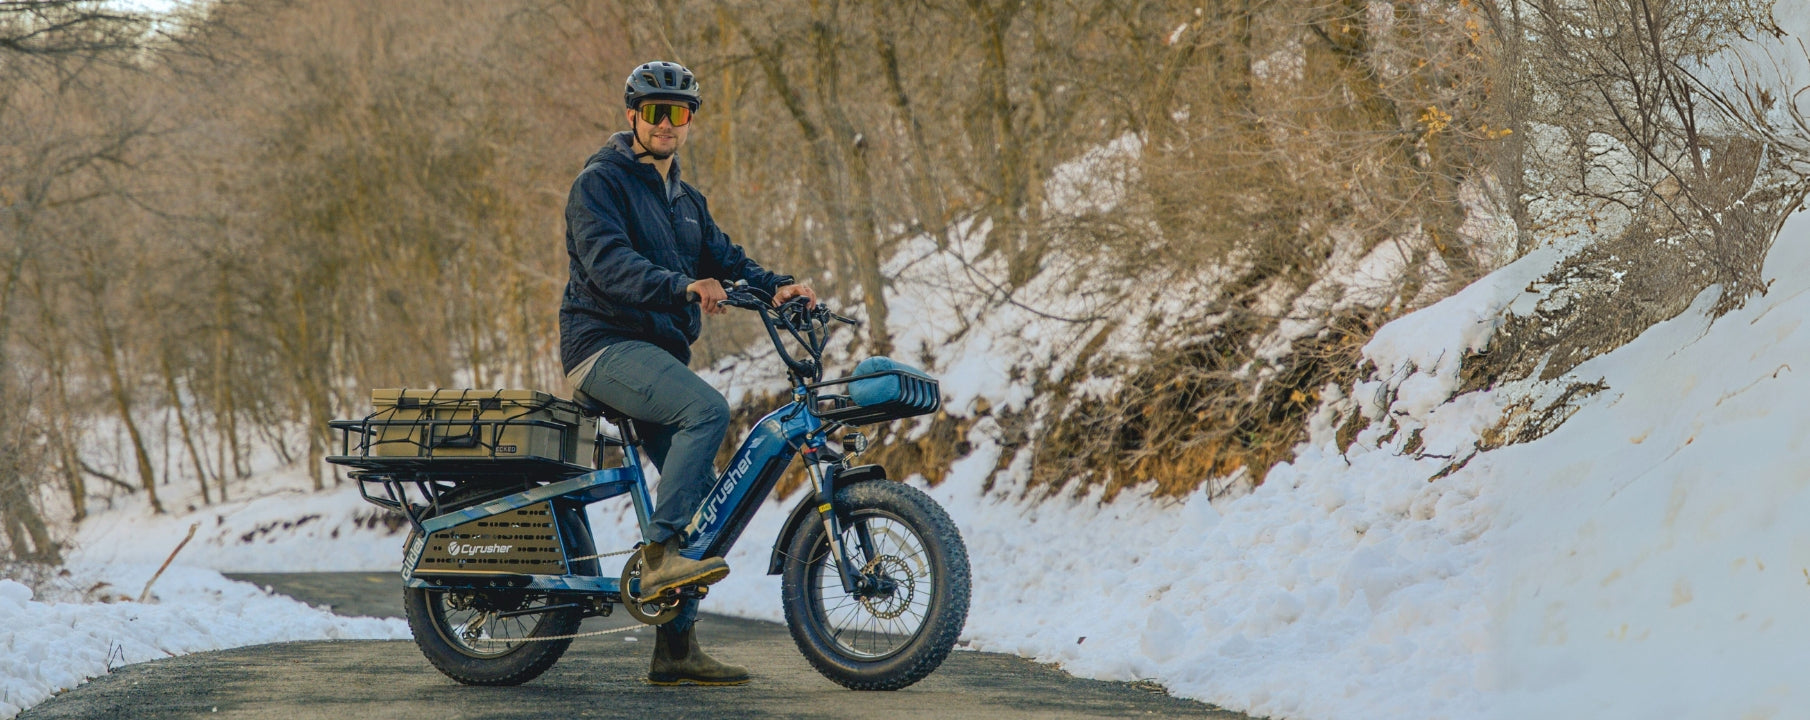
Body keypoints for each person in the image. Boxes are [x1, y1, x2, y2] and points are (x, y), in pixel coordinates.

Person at [559, 60, 815, 687]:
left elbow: (728, 259)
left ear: (690, 120)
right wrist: (681, 285)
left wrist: (778, 287)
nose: (666, 123)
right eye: (655, 111)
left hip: (657, 358)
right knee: (706, 410)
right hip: (603, 347)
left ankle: (675, 651)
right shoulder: (600, 183)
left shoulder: (685, 201)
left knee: (702, 503)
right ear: (633, 116)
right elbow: (608, 263)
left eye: (679, 112)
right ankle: (657, 558)